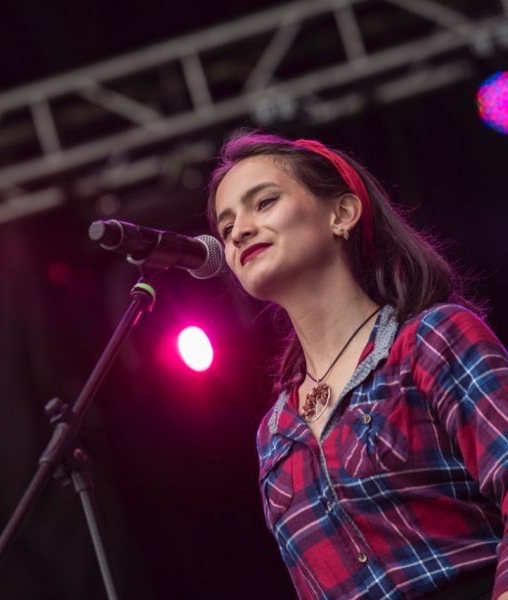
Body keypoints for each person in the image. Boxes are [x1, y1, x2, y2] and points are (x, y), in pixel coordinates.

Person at [206, 129, 508, 600]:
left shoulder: (432, 340)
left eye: (263, 203)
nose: (239, 230)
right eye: (225, 228)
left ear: (342, 213)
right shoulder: (276, 436)